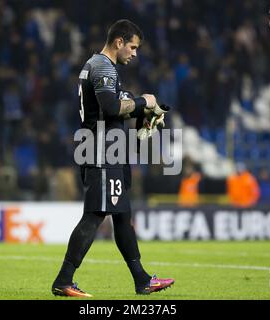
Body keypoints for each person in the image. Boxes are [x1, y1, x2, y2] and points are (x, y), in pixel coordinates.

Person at [51, 20, 174, 298]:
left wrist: (144, 112)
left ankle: (142, 279)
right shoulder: (103, 67)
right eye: (132, 47)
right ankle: (64, 279)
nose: (134, 53)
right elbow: (110, 106)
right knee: (95, 215)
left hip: (109, 150)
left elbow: (114, 108)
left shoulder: (99, 67)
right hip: (102, 151)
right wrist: (144, 101)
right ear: (119, 42)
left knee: (121, 216)